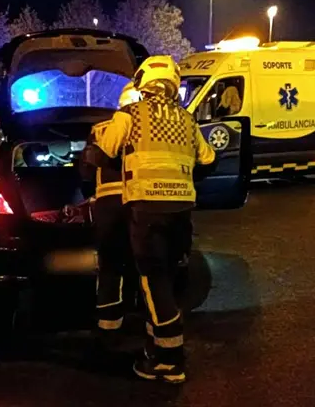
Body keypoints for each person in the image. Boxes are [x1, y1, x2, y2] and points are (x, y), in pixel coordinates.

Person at [95, 56, 216, 384]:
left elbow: (107, 147)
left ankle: (169, 358)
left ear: (142, 80)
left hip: (147, 208)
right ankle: (157, 345)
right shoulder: (187, 119)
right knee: (168, 274)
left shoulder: (130, 114)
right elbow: (208, 157)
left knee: (152, 278)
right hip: (181, 211)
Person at [81, 82, 138, 341]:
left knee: (110, 263)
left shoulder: (100, 128)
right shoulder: (149, 128)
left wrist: (88, 192)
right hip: (138, 200)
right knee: (140, 259)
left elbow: (85, 170)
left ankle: (108, 324)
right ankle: (141, 313)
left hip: (107, 203)